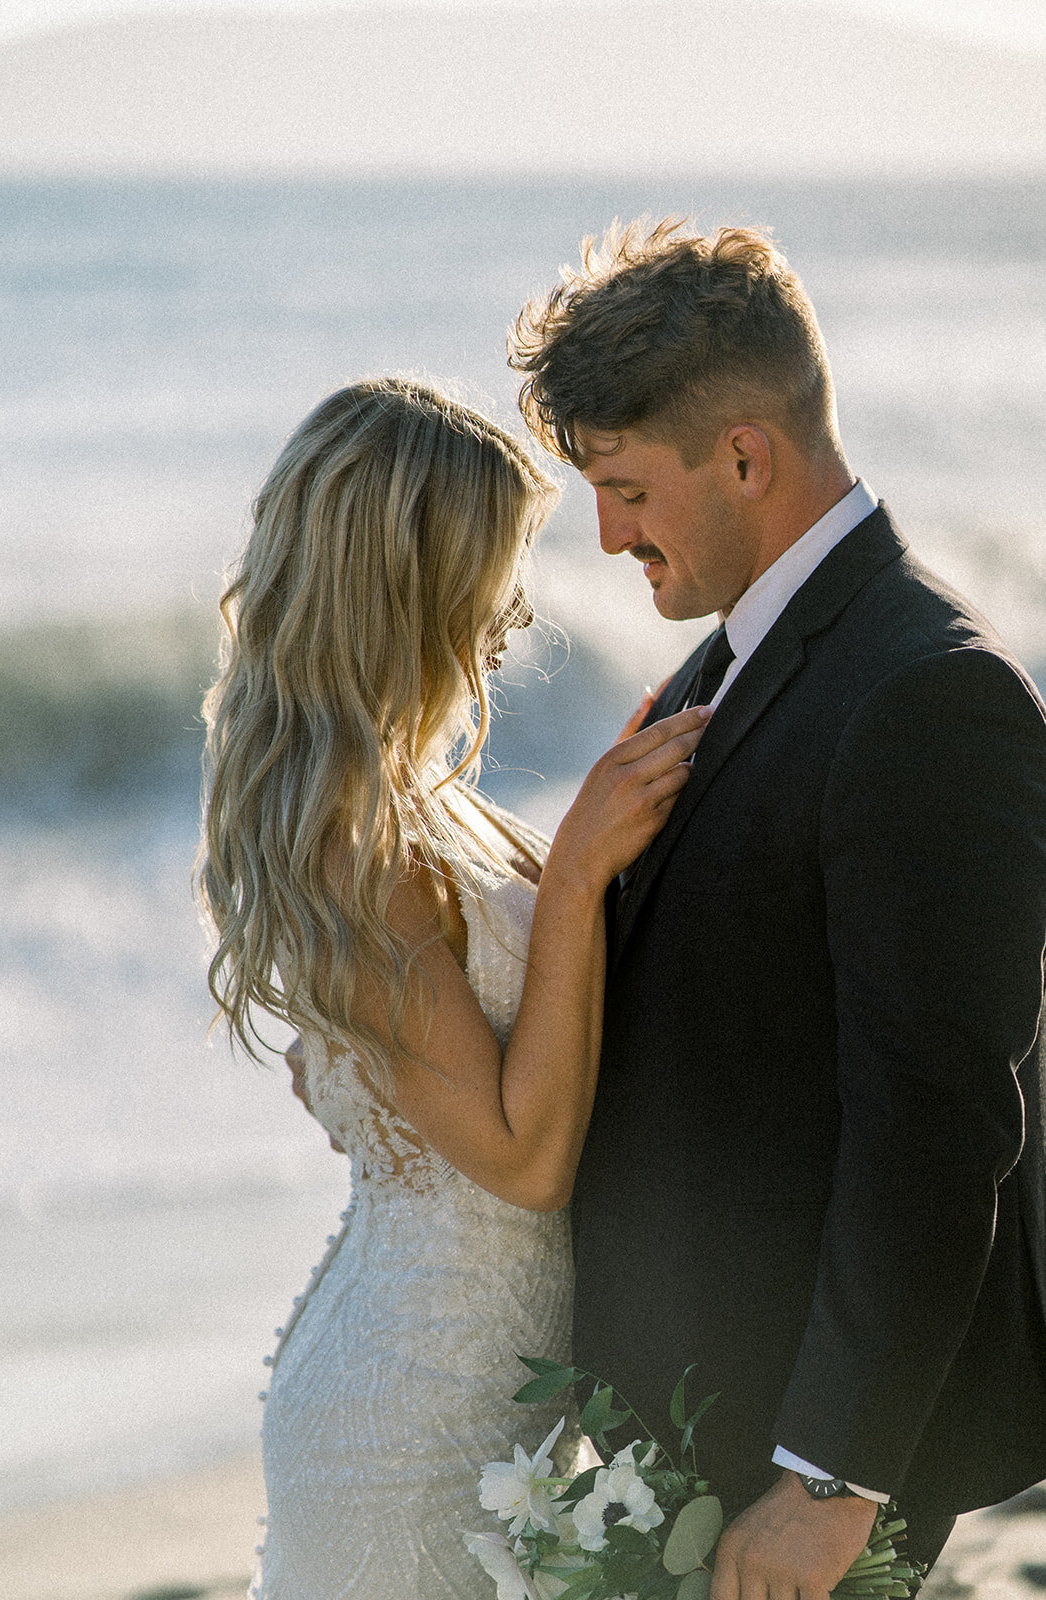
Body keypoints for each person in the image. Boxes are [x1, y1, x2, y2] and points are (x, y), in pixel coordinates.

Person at [510, 219, 1046, 1596]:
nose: (605, 532)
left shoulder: (927, 696)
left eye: (622, 486)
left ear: (741, 455)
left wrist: (827, 1481)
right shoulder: (725, 664)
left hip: (791, 1463)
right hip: (690, 1433)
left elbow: (934, 1122)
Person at [196, 377, 710, 1599]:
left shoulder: (415, 798)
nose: (515, 605)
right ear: (411, 584)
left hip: (482, 1392)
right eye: (493, 568)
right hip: (411, 1424)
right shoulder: (346, 842)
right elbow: (523, 1159)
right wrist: (577, 866)